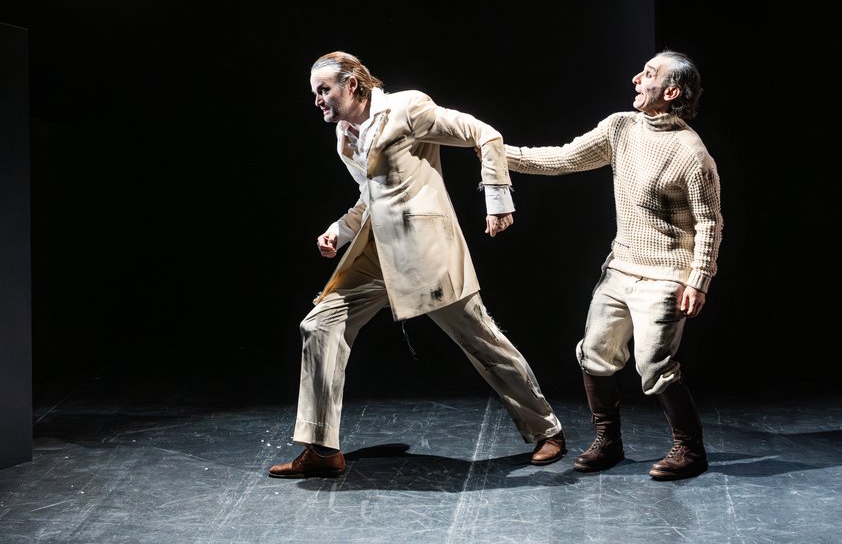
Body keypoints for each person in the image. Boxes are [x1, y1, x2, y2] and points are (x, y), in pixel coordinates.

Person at [268, 51, 565, 479]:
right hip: (376, 254)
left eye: (323, 89)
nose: (317, 99)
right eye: (315, 92)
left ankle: (547, 429)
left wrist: (498, 199)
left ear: (352, 85)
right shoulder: (344, 137)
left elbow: (484, 134)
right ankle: (321, 449)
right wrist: (340, 230)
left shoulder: (406, 108)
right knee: (319, 326)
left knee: (482, 341)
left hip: (425, 252)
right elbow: (370, 197)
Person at [502, 49, 722, 481]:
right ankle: (608, 442)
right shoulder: (621, 127)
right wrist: (498, 154)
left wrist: (699, 279)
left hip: (666, 275)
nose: (637, 78)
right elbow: (564, 158)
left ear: (671, 92)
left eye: (649, 73)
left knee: (654, 366)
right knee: (595, 353)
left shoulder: (691, 153)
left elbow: (709, 222)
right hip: (621, 266)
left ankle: (690, 450)